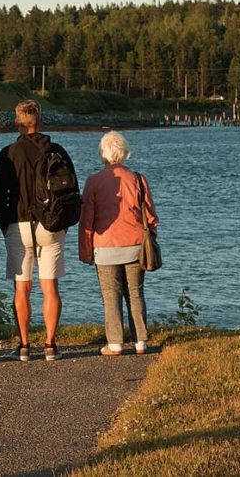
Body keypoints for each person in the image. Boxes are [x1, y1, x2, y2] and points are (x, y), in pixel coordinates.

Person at [0, 100, 77, 361]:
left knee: (22, 288)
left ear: (17, 121)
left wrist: (5, 223)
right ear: (40, 121)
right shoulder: (56, 150)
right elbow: (71, 190)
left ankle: (25, 345)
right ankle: (51, 344)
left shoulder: (9, 153)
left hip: (19, 224)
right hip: (50, 224)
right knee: (50, 287)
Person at [78, 131, 158, 356]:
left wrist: (85, 250)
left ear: (102, 153)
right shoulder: (138, 179)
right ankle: (140, 340)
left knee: (111, 295)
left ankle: (115, 342)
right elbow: (150, 216)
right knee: (135, 292)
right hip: (135, 245)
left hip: (104, 247)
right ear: (124, 152)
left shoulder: (93, 181)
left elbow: (87, 220)